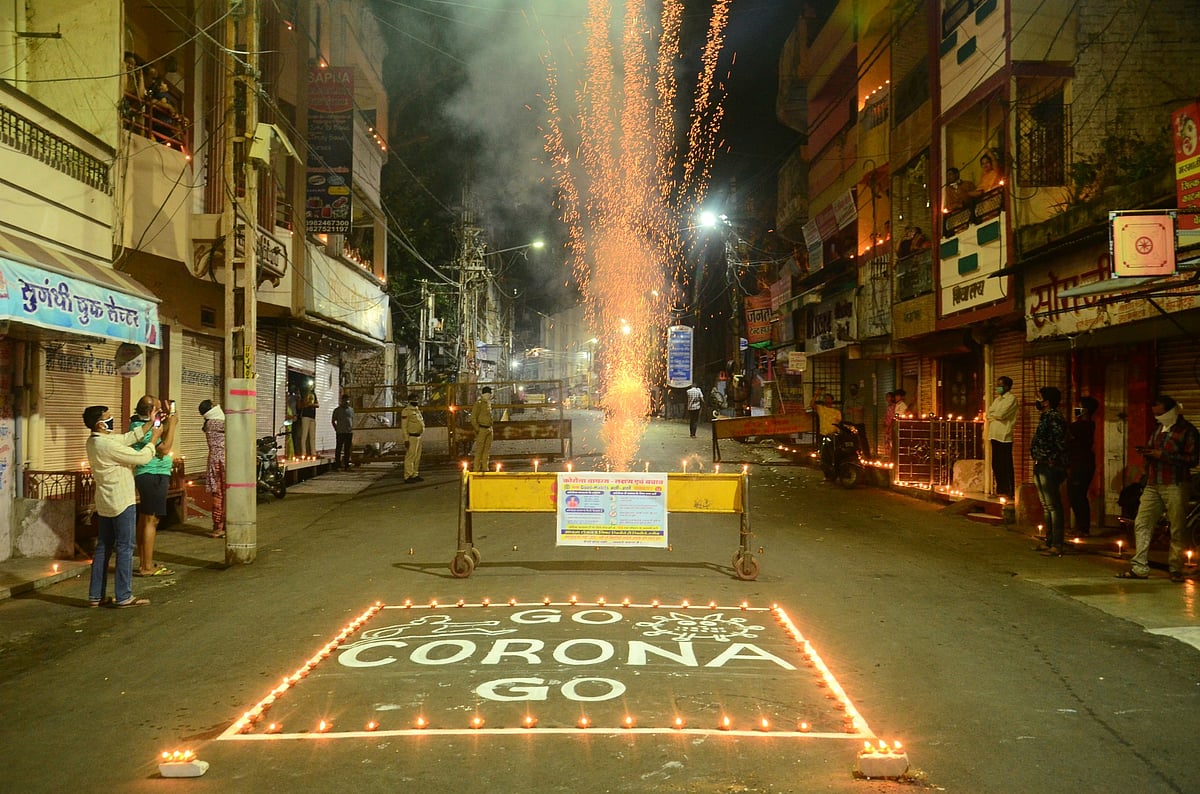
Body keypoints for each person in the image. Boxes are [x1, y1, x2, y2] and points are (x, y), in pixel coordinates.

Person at [84, 405, 163, 608]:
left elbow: (127, 438)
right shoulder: (106, 446)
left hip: (105, 502)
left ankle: (96, 596)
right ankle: (124, 596)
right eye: (108, 418)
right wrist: (154, 439)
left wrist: (149, 423)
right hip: (122, 501)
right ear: (100, 424)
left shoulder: (95, 441)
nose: (112, 420)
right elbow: (142, 458)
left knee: (104, 547)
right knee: (125, 547)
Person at [1118, 396, 1200, 582]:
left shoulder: (1188, 432)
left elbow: (1192, 460)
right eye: (1155, 414)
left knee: (1177, 527)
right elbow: (1152, 450)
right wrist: (1148, 454)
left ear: (1172, 411)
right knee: (1142, 522)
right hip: (1153, 484)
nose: (1158, 417)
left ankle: (1175, 568)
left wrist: (1163, 455)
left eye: (1160, 413)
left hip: (1175, 484)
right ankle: (1139, 566)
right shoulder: (1158, 430)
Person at [129, 396, 177, 577]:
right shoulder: (139, 428)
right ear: (150, 412)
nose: (160, 411)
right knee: (151, 520)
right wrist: (172, 423)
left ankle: (145, 562)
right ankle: (146, 567)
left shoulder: (142, 424)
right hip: (152, 474)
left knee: (146, 518)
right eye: (157, 409)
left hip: (152, 473)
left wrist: (164, 421)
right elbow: (164, 448)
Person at [1030, 387, 1069, 557]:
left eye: (1039, 398)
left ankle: (1057, 544)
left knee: (1053, 506)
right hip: (1041, 464)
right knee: (1046, 505)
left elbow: (1059, 441)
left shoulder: (1054, 417)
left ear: (1047, 401)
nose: (1037, 400)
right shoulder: (1045, 416)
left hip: (1050, 465)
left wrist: (1053, 459)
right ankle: (1049, 541)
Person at [1067, 396, 1100, 537]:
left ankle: (1083, 528)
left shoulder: (1082, 426)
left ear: (1085, 410)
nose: (1076, 408)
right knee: (1077, 496)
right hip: (1082, 463)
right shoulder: (1087, 425)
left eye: (1079, 406)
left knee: (1077, 496)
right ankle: (1081, 527)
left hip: (1081, 464)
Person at [986, 376, 1019, 499]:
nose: (997, 388)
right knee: (996, 464)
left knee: (1006, 464)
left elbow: (1001, 414)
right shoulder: (997, 400)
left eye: (1000, 385)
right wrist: (994, 415)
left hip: (1004, 435)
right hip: (994, 434)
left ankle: (1009, 491)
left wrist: (994, 415)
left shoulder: (1011, 399)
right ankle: (1000, 490)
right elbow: (989, 413)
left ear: (1007, 386)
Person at [198, 400, 226, 539]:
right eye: (214, 404)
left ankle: (221, 525)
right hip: (220, 462)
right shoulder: (214, 423)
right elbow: (236, 423)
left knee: (221, 494)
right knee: (220, 494)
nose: (218, 406)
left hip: (217, 461)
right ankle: (219, 526)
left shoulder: (212, 422)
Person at [400, 392, 425, 483]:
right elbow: (404, 426)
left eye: (417, 399)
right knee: (410, 457)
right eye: (414, 399)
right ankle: (408, 475)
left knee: (417, 457)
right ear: (410, 400)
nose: (416, 400)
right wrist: (406, 439)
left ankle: (415, 474)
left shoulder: (416, 410)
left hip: (418, 436)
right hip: (411, 437)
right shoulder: (406, 411)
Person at [471, 386, 494, 472]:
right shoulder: (479, 403)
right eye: (488, 394)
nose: (489, 395)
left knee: (486, 451)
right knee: (479, 451)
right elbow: (473, 418)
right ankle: (476, 469)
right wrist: (478, 429)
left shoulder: (487, 403)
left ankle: (485, 468)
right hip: (482, 429)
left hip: (488, 429)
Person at [331, 394, 355, 470]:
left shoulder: (351, 410)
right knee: (339, 448)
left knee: (347, 449)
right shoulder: (337, 410)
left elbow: (352, 419)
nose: (346, 402)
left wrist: (351, 427)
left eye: (348, 400)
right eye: (345, 400)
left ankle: (346, 465)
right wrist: (336, 429)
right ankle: (337, 465)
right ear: (342, 400)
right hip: (340, 432)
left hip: (349, 432)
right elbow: (333, 421)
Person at [299, 389, 318, 457]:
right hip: (305, 416)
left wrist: (311, 404)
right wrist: (309, 403)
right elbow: (303, 404)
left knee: (312, 436)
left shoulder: (313, 394)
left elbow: (317, 404)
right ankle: (304, 453)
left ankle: (313, 452)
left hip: (312, 417)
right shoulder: (304, 393)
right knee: (304, 435)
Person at [883, 391, 897, 459]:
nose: (886, 398)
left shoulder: (894, 406)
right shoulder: (888, 406)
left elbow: (892, 418)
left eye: (888, 396)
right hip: (887, 426)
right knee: (886, 441)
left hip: (891, 427)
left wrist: (889, 427)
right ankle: (887, 456)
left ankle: (891, 457)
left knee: (890, 441)